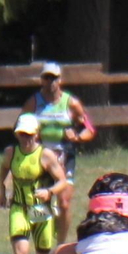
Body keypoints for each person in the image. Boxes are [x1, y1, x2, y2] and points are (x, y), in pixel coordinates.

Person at [0, 112, 68, 254]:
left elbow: (62, 181)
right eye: (22, 134)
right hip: (19, 207)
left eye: (29, 135)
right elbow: (4, 169)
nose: (25, 139)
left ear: (36, 134)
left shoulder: (45, 155)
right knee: (20, 253)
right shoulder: (11, 153)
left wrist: (49, 192)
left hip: (40, 209)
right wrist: (2, 191)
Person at [22, 62, 93, 240]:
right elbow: (20, 127)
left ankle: (61, 244)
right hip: (41, 156)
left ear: (60, 80)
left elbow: (89, 129)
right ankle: (42, 242)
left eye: (54, 78)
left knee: (64, 202)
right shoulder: (33, 102)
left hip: (65, 156)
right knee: (39, 202)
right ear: (41, 80)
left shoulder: (71, 103)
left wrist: (77, 137)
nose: (50, 82)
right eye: (47, 78)